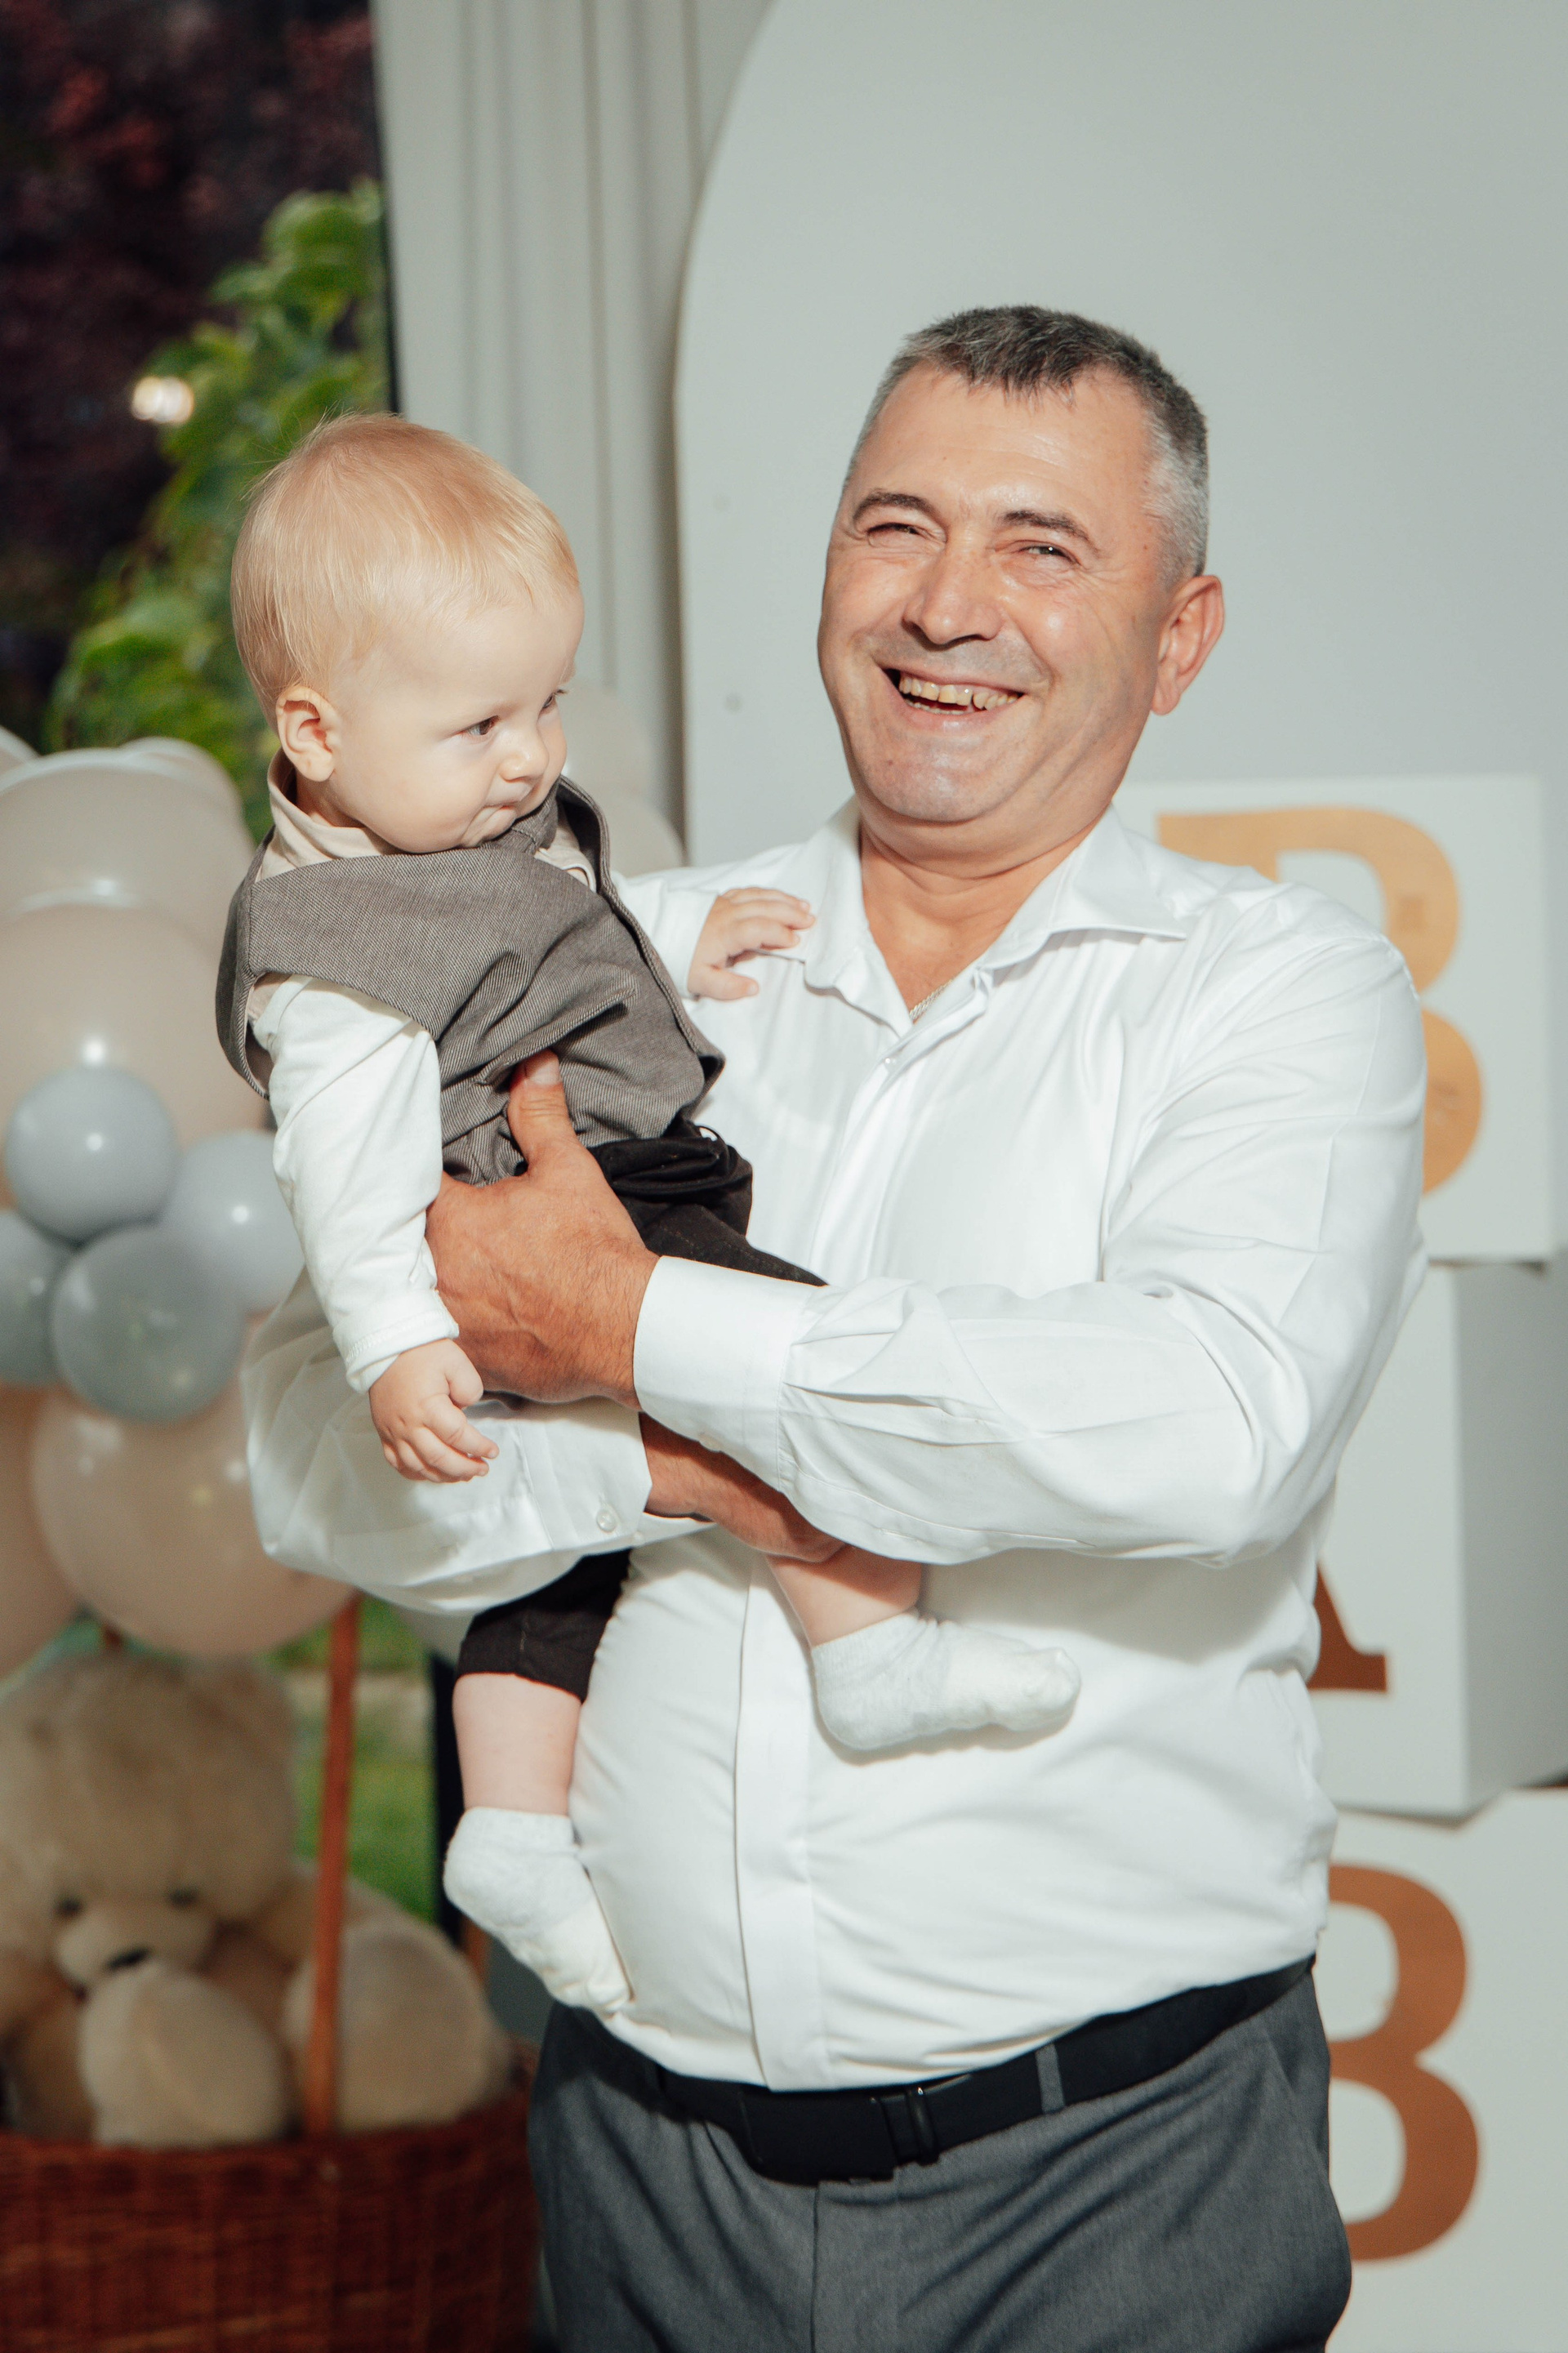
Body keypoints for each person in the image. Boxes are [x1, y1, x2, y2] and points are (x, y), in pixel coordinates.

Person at [243, 307, 1426, 2351]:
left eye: (1043, 546)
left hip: (1114, 2173)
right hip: (640, 2163)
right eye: (897, 525)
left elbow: (1204, 1425)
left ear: (1182, 637)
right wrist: (667, 1468)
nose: (948, 603)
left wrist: (628, 1322)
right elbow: (298, 1457)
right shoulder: (595, 956)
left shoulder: (1275, 990)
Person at [220, 412, 1080, 2017]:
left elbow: (564, 934)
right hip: (570, 1202)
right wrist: (397, 1338)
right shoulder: (337, 962)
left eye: (547, 703)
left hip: (591, 1179)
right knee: (791, 1351)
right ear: (317, 732)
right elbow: (343, 1169)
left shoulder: (453, 820)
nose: (530, 756)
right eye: (484, 722)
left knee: (561, 1558)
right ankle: (868, 1647)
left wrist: (683, 932)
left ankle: (513, 1825)